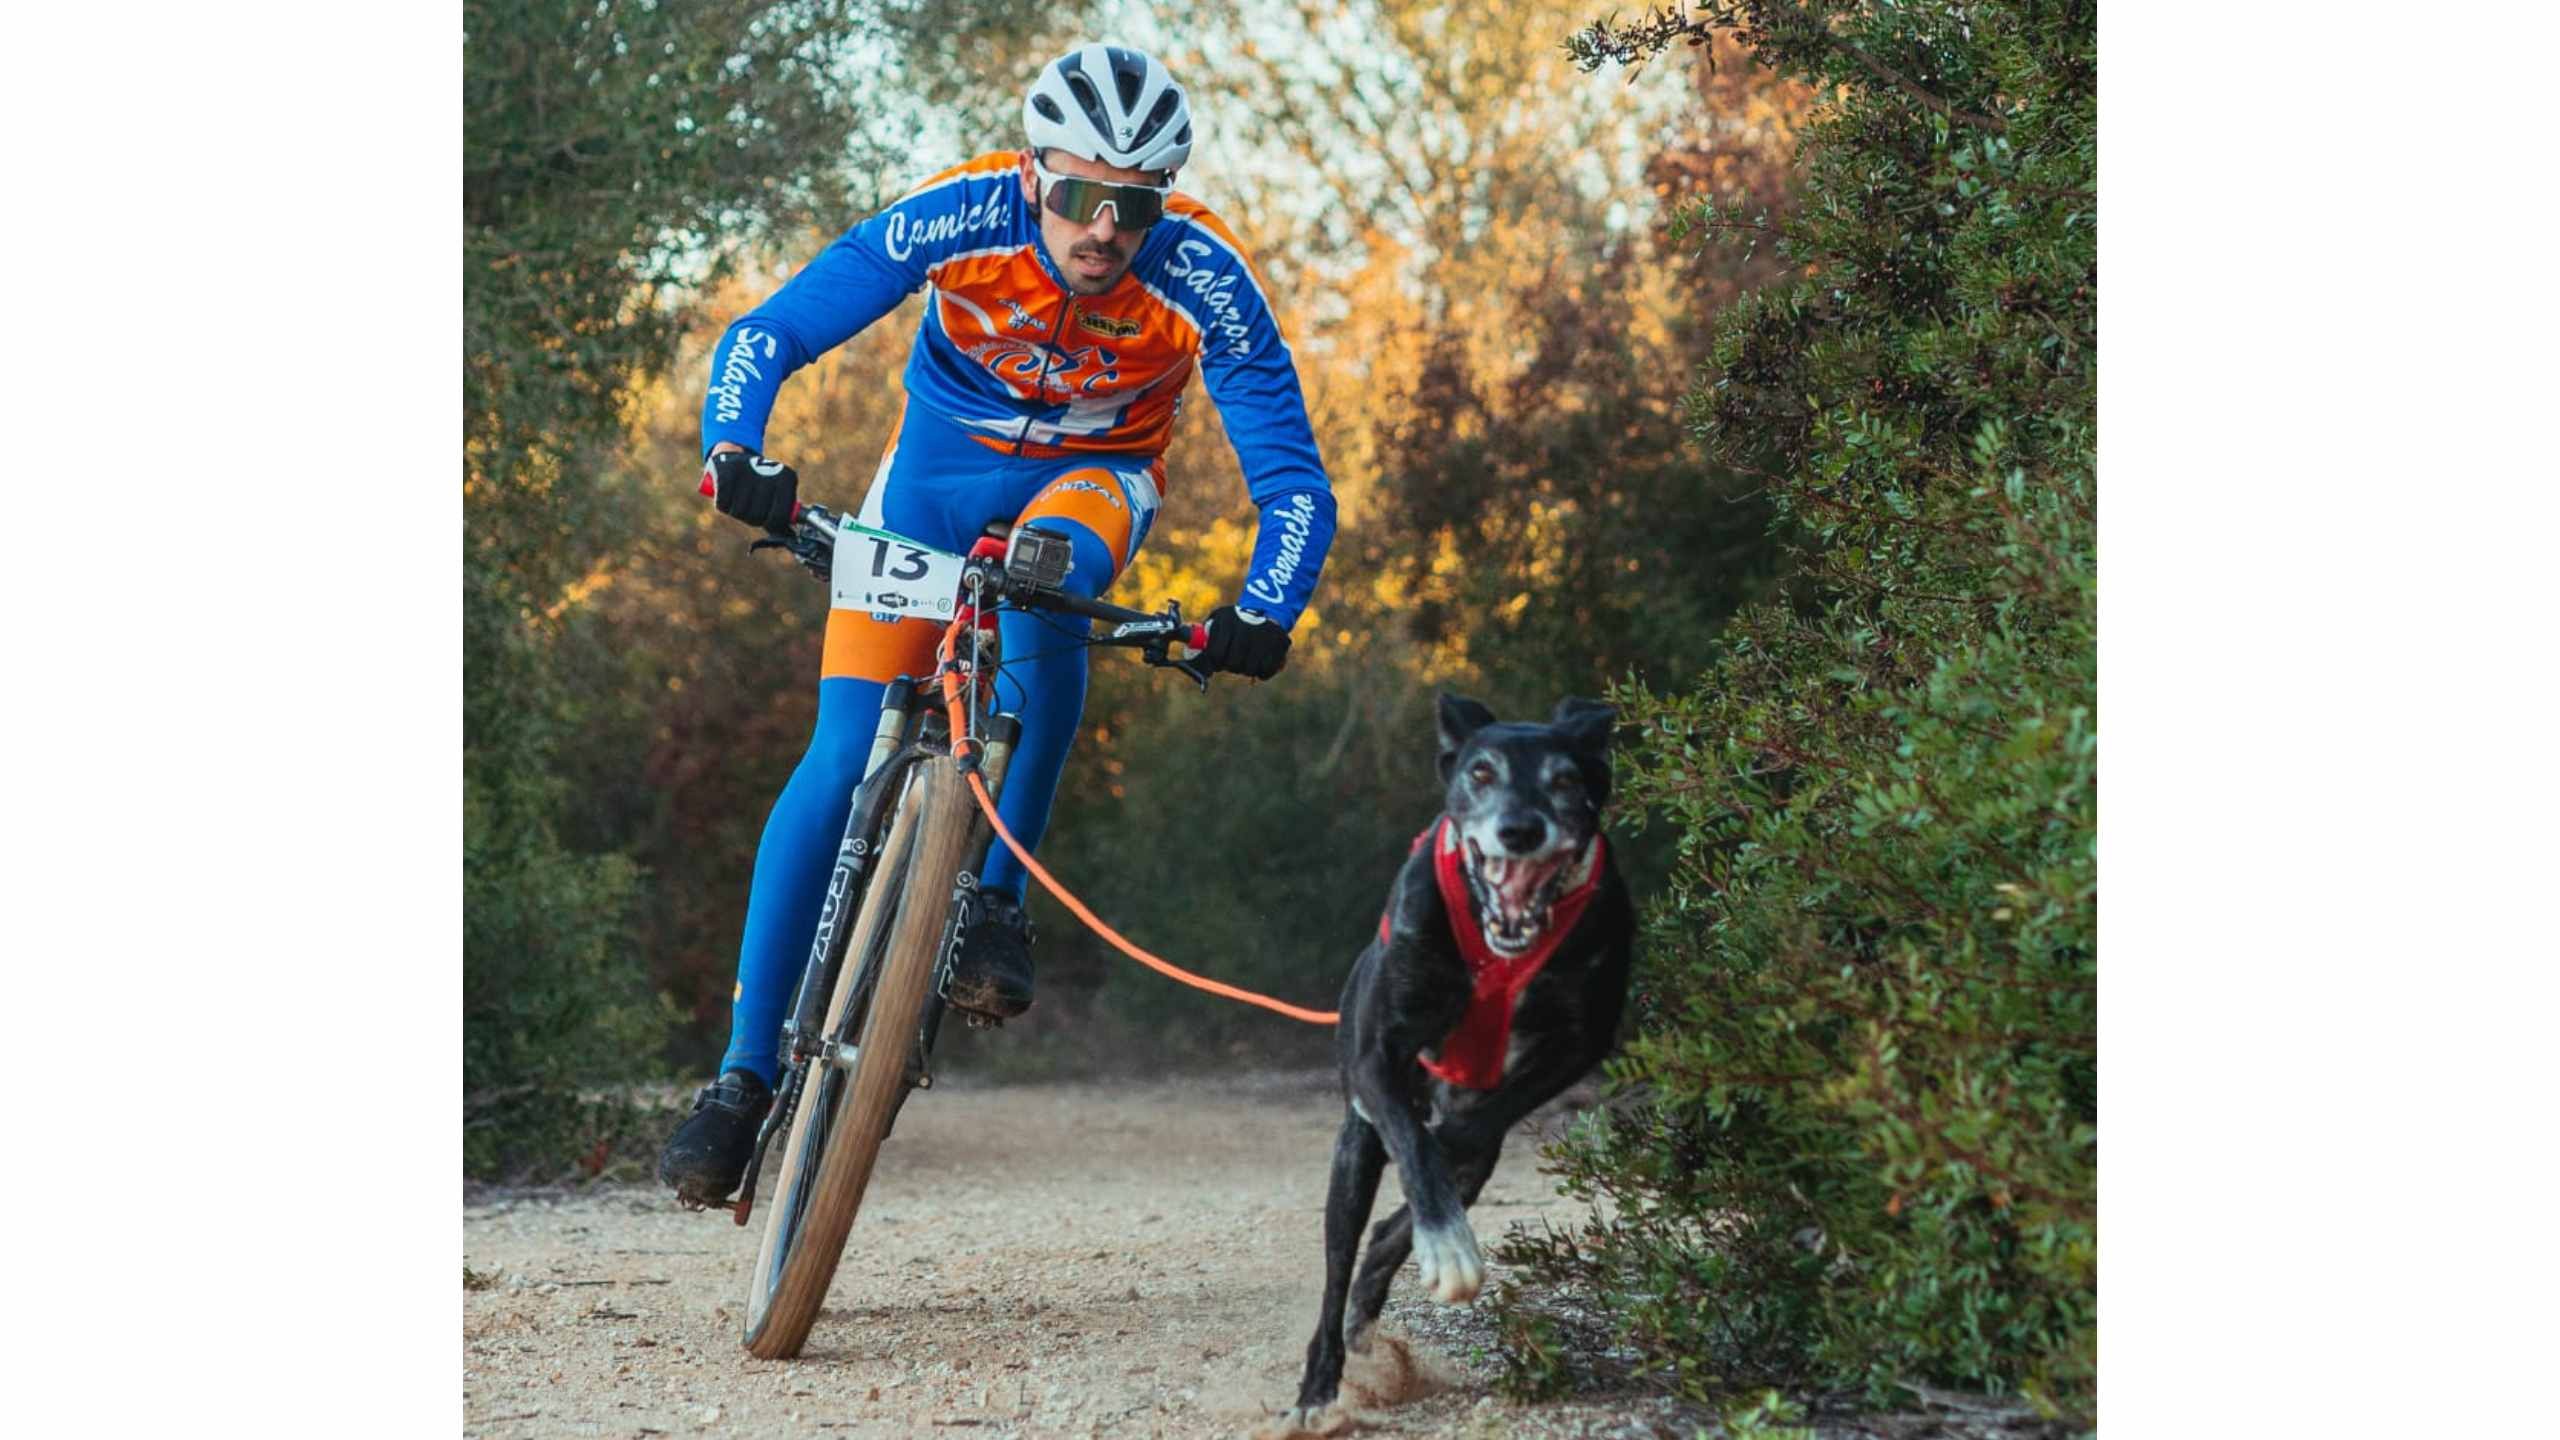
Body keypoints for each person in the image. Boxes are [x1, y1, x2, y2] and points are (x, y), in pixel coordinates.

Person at [658, 43, 1337, 1204]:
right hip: (925, 487)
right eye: (1078, 197)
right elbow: (768, 336)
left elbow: (1295, 484)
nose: (1104, 230)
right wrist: (735, 451)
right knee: (837, 755)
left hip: (1093, 482)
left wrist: (1264, 612)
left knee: (1046, 576)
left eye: (1132, 206)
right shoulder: (959, 216)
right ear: (1033, 175)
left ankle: (994, 910)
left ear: (1159, 202)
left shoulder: (1202, 275)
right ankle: (741, 1080)